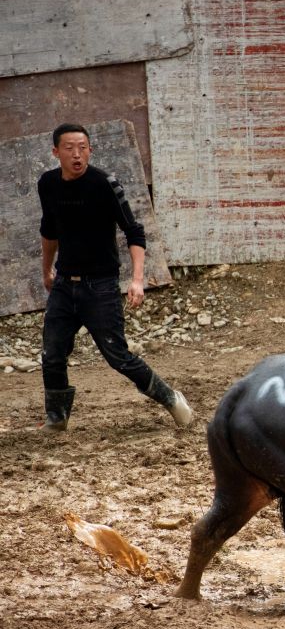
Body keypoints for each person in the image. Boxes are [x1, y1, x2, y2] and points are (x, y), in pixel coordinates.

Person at [37, 123, 193, 432]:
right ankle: (57, 418)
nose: (77, 154)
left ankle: (171, 399)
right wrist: (46, 269)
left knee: (118, 356)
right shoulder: (48, 184)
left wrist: (137, 279)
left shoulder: (104, 184)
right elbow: (49, 230)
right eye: (69, 148)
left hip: (100, 286)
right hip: (64, 284)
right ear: (56, 152)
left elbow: (134, 231)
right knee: (52, 353)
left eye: (83, 148)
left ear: (90, 150)